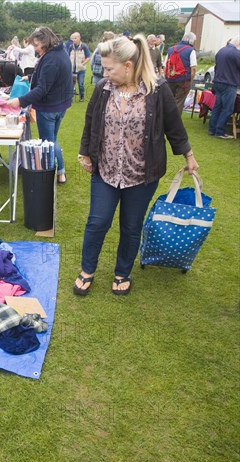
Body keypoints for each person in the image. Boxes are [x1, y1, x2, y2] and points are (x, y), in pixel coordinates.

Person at [73, 34, 199, 296]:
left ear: (128, 65)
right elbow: (91, 122)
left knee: (131, 225)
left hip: (142, 175)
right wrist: (85, 153)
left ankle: (122, 272)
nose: (105, 73)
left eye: (110, 68)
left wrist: (188, 155)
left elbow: (174, 127)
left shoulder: (157, 90)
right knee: (97, 222)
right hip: (106, 171)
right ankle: (87, 270)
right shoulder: (103, 89)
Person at [5, 27, 73, 184]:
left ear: (44, 41)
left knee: (48, 143)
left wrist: (20, 101)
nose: (35, 49)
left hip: (50, 107)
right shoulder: (59, 53)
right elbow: (50, 78)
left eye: (36, 45)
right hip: (60, 105)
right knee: (52, 140)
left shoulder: (51, 59)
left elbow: (42, 89)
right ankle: (56, 171)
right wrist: (30, 77)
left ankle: (57, 173)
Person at [208, 36, 240, 139]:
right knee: (227, 109)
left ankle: (212, 129)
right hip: (229, 83)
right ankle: (220, 131)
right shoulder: (236, 53)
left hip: (218, 82)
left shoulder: (221, 50)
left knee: (217, 107)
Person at [165, 32, 197, 115]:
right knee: (179, 101)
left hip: (170, 78)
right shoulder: (191, 50)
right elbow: (193, 68)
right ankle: (175, 121)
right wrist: (191, 80)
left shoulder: (171, 49)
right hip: (184, 80)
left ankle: (166, 119)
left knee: (169, 100)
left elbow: (165, 65)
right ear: (191, 40)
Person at [69, 32, 91, 101]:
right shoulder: (70, 47)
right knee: (72, 85)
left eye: (75, 38)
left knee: (81, 84)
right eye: (73, 38)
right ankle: (71, 97)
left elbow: (88, 57)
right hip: (72, 69)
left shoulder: (84, 46)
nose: (74, 39)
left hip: (81, 70)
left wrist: (83, 63)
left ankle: (82, 96)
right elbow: (67, 56)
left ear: (79, 38)